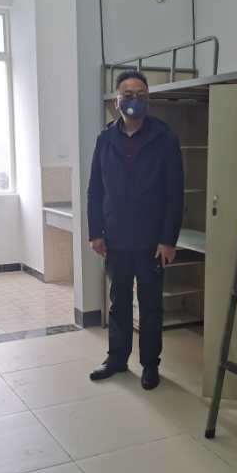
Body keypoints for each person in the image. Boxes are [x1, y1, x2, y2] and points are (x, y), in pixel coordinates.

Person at [86, 70, 184, 391]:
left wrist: (168, 239)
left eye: (141, 95)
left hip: (152, 240)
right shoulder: (105, 139)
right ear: (117, 101)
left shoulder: (164, 138)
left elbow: (175, 193)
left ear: (148, 100)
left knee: (151, 304)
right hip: (115, 238)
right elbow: (95, 190)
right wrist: (95, 232)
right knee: (119, 303)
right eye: (128, 95)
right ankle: (117, 358)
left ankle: (150, 364)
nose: (134, 100)